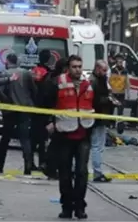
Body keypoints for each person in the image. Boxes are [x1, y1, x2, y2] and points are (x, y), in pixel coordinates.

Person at [47, 55, 94, 219]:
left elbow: (97, 105)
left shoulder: (89, 84)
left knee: (82, 172)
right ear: (68, 68)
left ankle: (79, 206)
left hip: (84, 133)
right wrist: (49, 122)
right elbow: (46, 103)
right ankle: (66, 206)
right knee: (65, 173)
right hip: (64, 134)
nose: (78, 70)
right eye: (74, 67)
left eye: (80, 66)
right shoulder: (57, 83)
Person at [0, 53, 37, 175]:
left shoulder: (5, 73)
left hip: (9, 110)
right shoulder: (26, 73)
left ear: (7, 61)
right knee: (25, 139)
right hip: (24, 109)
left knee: (5, 139)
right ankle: (28, 166)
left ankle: (0, 165)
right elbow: (33, 90)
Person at [39, 57, 68, 180]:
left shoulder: (50, 77)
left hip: (55, 117)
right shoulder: (57, 82)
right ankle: (50, 167)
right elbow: (51, 101)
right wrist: (51, 120)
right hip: (56, 117)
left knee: (55, 143)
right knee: (58, 144)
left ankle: (49, 166)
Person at [89, 60, 115, 182]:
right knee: (97, 146)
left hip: (100, 117)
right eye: (104, 70)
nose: (106, 73)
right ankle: (97, 172)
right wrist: (108, 100)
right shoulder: (94, 81)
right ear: (98, 69)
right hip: (97, 117)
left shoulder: (100, 80)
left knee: (97, 145)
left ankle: (97, 171)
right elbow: (94, 99)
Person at [30, 49, 53, 170]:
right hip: (44, 109)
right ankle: (42, 162)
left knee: (33, 138)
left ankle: (30, 163)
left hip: (34, 108)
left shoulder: (34, 71)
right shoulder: (48, 73)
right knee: (42, 139)